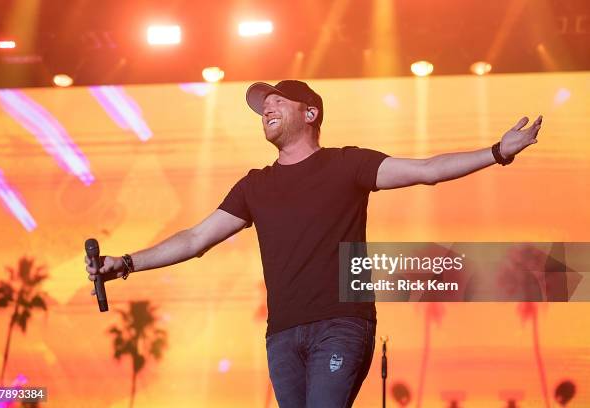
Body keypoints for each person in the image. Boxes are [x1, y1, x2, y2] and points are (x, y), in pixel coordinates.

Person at [86, 80, 542, 407]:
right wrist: (125, 262)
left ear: (310, 112)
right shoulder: (254, 186)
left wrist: (497, 152)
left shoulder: (348, 166)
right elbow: (195, 238)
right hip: (282, 335)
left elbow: (426, 170)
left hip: (341, 323)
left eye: (276, 101)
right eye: (262, 106)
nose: (266, 108)